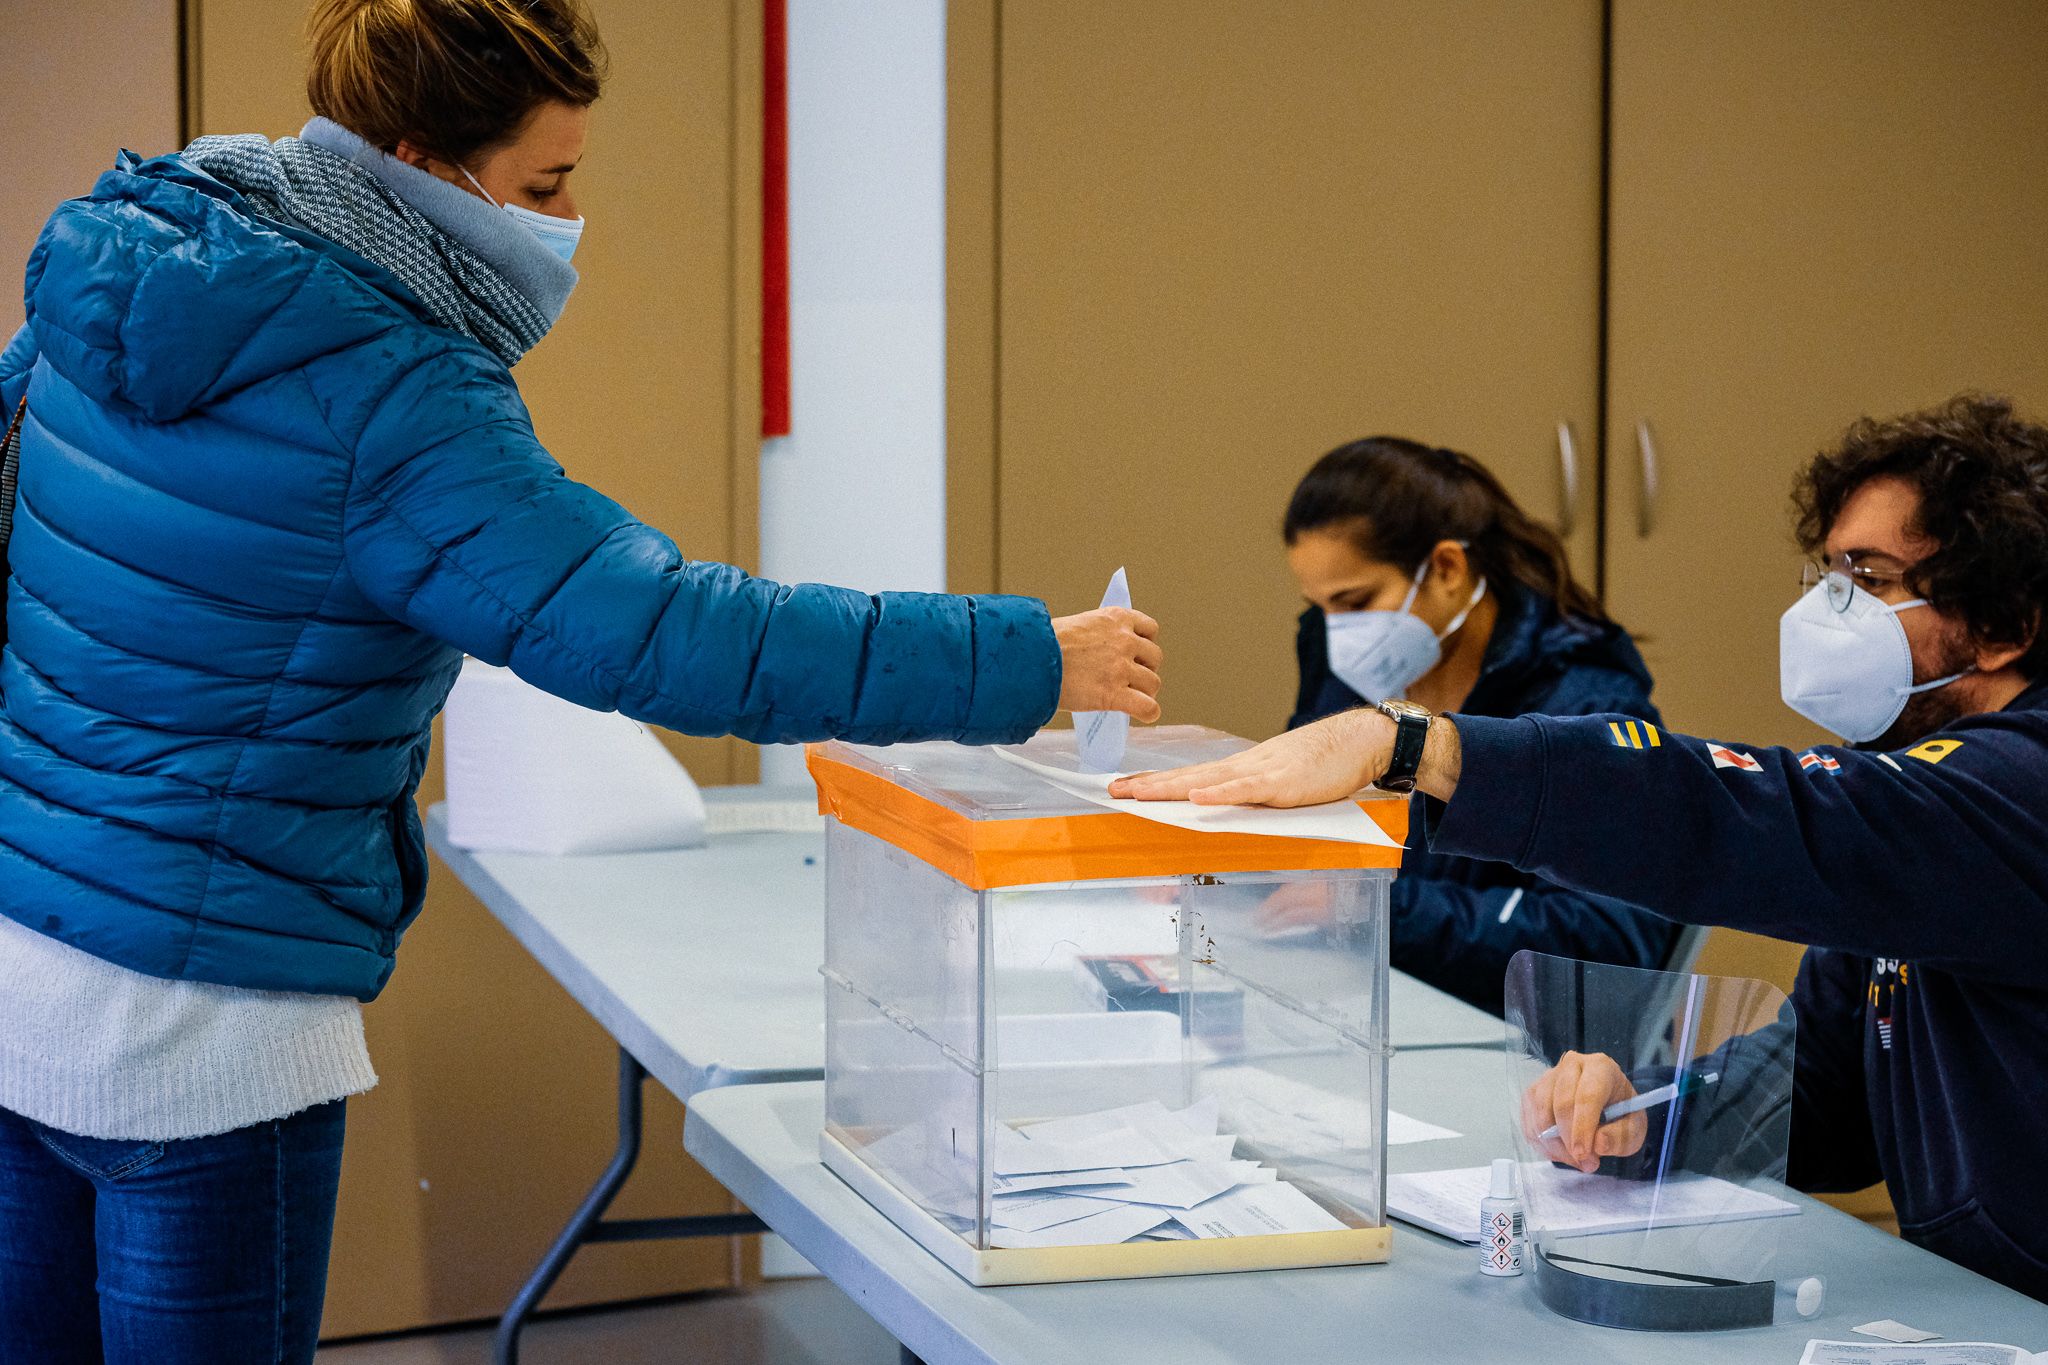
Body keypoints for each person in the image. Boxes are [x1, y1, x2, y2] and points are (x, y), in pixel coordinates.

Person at [0, 2, 1161, 1359]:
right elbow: (660, 629)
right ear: (428, 165)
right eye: (546, 185)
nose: (564, 219)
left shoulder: (146, 252)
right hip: (205, 1041)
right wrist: (1023, 655)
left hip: (23, 974)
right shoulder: (396, 390)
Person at [1114, 393, 2048, 1299]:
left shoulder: (2016, 792)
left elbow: (1735, 812)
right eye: (1828, 577)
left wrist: (1421, 747)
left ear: (2006, 624)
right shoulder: (1915, 794)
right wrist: (1645, 1111)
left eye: (1871, 580)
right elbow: (1827, 1096)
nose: (1833, 613)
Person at [1273, 436, 1676, 1013]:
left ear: (1446, 568)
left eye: (1356, 603)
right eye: (1321, 607)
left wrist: (1374, 908)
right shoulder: (1345, 669)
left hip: (1517, 1041)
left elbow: (1603, 943)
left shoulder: (1585, 702)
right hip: (1365, 994)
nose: (1337, 636)